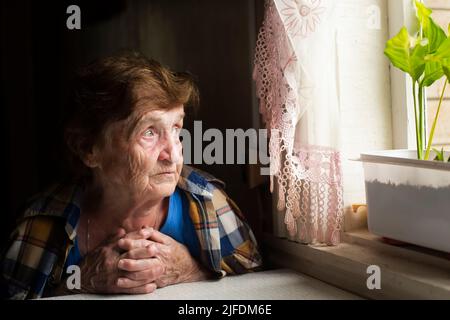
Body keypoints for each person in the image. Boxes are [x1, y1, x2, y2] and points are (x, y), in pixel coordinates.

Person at [0, 52, 262, 299]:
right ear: (88, 149)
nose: (173, 154)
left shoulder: (208, 203)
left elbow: (259, 288)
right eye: (148, 132)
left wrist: (192, 270)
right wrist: (80, 280)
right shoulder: (41, 224)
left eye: (176, 129)